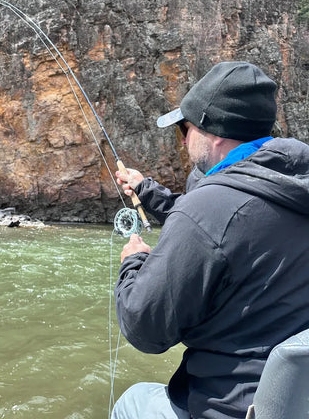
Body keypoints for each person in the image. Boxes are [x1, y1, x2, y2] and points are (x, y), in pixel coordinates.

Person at [111, 61, 309, 419]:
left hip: (230, 408)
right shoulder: (289, 183)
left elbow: (144, 328)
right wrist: (147, 191)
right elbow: (223, 226)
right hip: (299, 403)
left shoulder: (207, 210)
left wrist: (133, 262)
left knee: (133, 400)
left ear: (214, 132)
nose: (184, 140)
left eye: (184, 129)